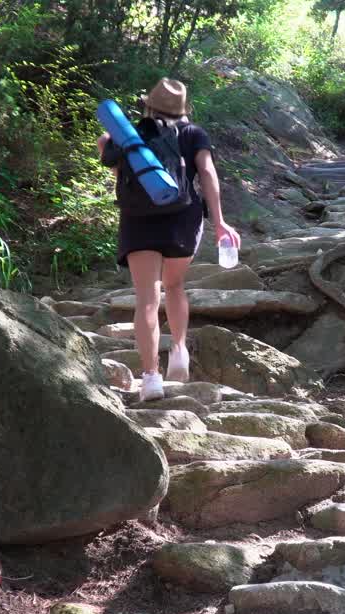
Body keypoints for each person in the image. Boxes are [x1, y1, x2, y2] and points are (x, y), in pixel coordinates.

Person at [97, 78, 240, 402]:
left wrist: (112, 151)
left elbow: (110, 156)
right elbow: (207, 174)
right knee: (174, 286)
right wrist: (219, 223)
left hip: (138, 220)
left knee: (147, 297)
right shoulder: (194, 134)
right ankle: (178, 350)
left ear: (148, 105)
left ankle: (150, 378)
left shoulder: (129, 133)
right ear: (183, 109)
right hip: (182, 218)